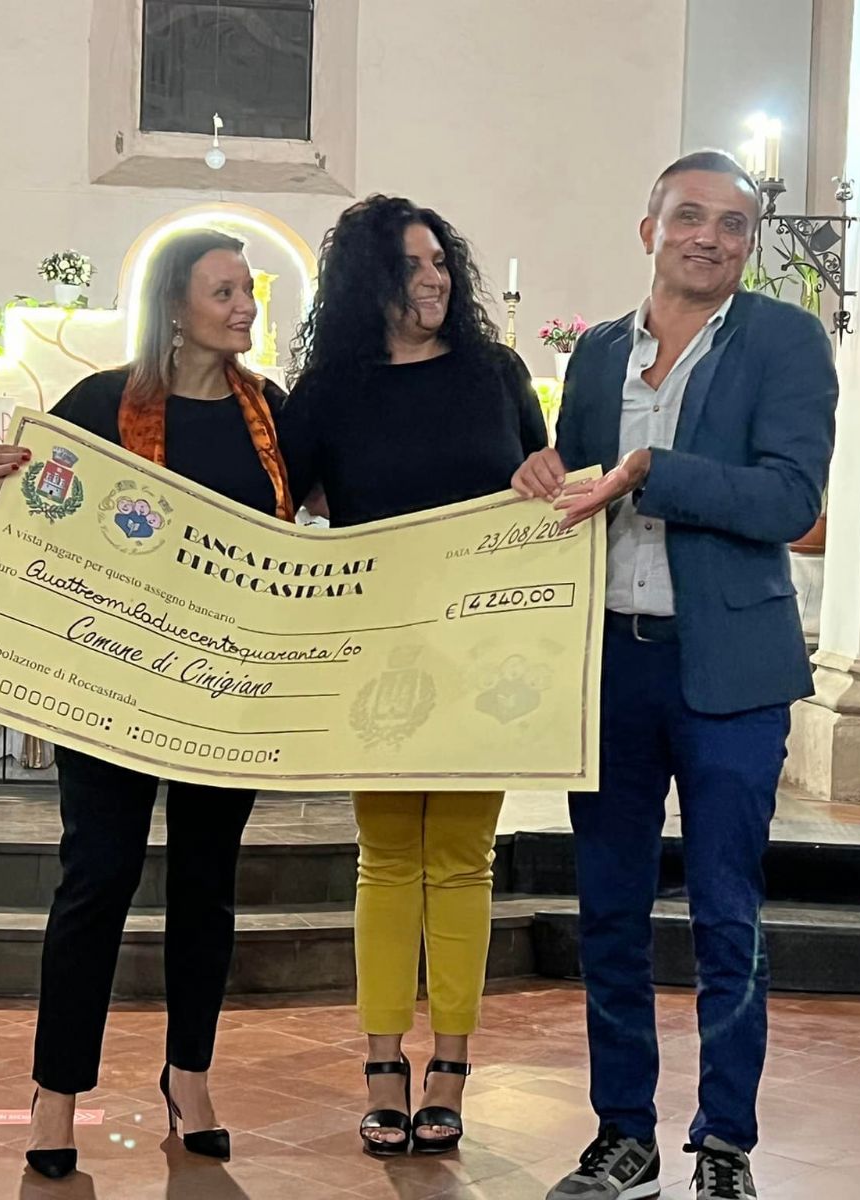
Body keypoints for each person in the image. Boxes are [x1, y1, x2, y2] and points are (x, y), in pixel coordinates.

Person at [512, 150, 837, 1200]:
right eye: (690, 216)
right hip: (608, 663)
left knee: (726, 913)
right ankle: (625, 1138)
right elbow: (577, 492)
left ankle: (725, 1143)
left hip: (730, 666)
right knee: (608, 908)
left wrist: (656, 472)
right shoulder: (600, 351)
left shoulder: (784, 340)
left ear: (749, 244)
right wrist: (541, 475)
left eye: (734, 224)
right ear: (648, 229)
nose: (710, 237)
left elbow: (790, 501)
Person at [0, 229, 294, 1179]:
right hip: (110, 685)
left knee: (207, 884)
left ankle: (189, 1076)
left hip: (222, 689)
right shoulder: (100, 403)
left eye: (248, 290)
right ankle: (56, 1092)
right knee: (97, 879)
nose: (245, 307)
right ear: (174, 307)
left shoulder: (272, 413)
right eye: (224, 291)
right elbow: (42, 498)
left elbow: (319, 520)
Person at [280, 195, 548, 1157]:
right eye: (411, 264)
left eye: (440, 262)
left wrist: (544, 478)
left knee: (463, 859)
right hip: (379, 656)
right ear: (369, 281)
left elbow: (546, 481)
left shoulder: (495, 374)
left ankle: (453, 1066)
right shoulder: (329, 392)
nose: (433, 279)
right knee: (388, 857)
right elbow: (270, 506)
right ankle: (384, 1064)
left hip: (484, 654)